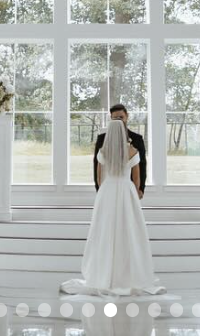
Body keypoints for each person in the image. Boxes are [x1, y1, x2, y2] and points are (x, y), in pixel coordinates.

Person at [60, 118, 165, 296]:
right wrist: (135, 190)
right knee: (128, 231)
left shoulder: (103, 151)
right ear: (124, 132)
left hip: (107, 192)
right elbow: (137, 180)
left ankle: (104, 273)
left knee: (105, 231)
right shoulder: (133, 151)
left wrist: (104, 193)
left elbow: (100, 179)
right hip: (126, 192)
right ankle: (128, 274)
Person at [93, 104, 146, 198]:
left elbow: (142, 164)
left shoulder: (137, 139)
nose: (119, 121)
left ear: (127, 116)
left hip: (128, 189)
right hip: (108, 189)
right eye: (115, 118)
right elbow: (96, 164)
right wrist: (99, 190)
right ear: (111, 119)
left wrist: (140, 189)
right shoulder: (102, 139)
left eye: (121, 117)